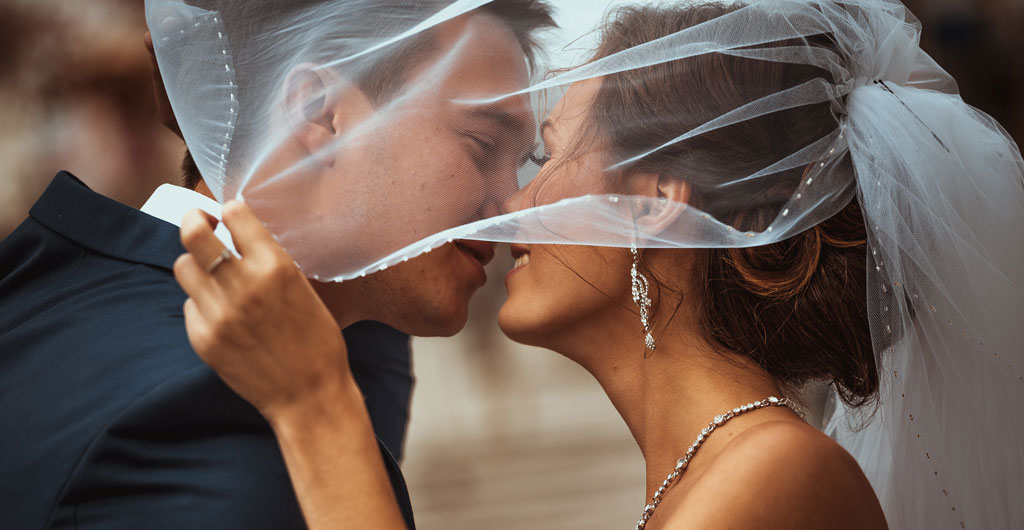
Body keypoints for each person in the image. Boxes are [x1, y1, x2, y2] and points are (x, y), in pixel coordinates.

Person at [174, 1, 1024, 529]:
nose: (510, 203)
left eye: (544, 155)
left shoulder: (775, 478)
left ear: (653, 199)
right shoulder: (723, 472)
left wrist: (315, 405)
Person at [0, 1, 555, 529]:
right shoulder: (219, 422)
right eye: (483, 147)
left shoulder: (45, 286)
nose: (513, 204)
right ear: (319, 111)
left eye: (520, 164)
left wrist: (223, 132)